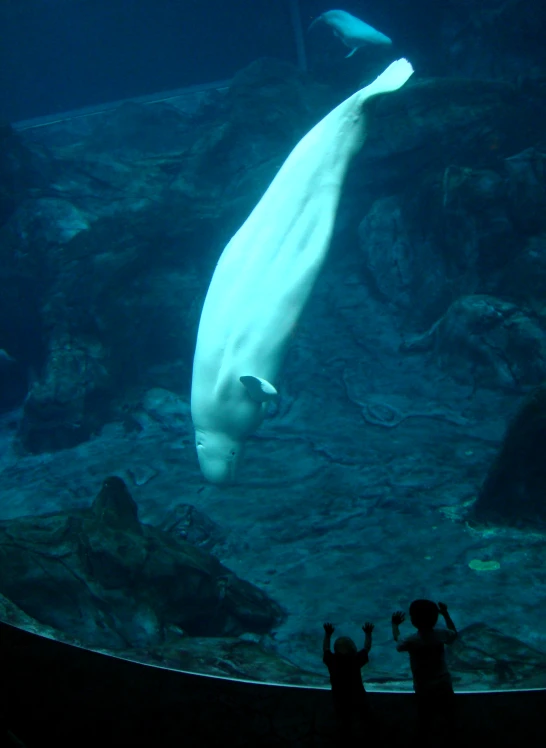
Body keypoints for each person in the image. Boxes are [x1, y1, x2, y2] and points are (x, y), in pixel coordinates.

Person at [392, 600, 458, 744]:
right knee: (449, 716)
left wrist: (395, 625)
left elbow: (398, 641)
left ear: (413, 620)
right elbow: (454, 634)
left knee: (424, 718)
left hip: (423, 686)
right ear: (436, 618)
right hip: (443, 683)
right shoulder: (441, 634)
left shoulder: (411, 640)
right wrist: (445, 614)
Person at [322, 621, 374, 743]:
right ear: (353, 649)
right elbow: (367, 648)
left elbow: (326, 648)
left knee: (344, 721)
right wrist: (368, 634)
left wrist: (327, 634)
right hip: (358, 696)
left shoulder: (332, 660)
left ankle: (344, 738)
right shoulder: (355, 660)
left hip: (339, 697)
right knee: (365, 717)